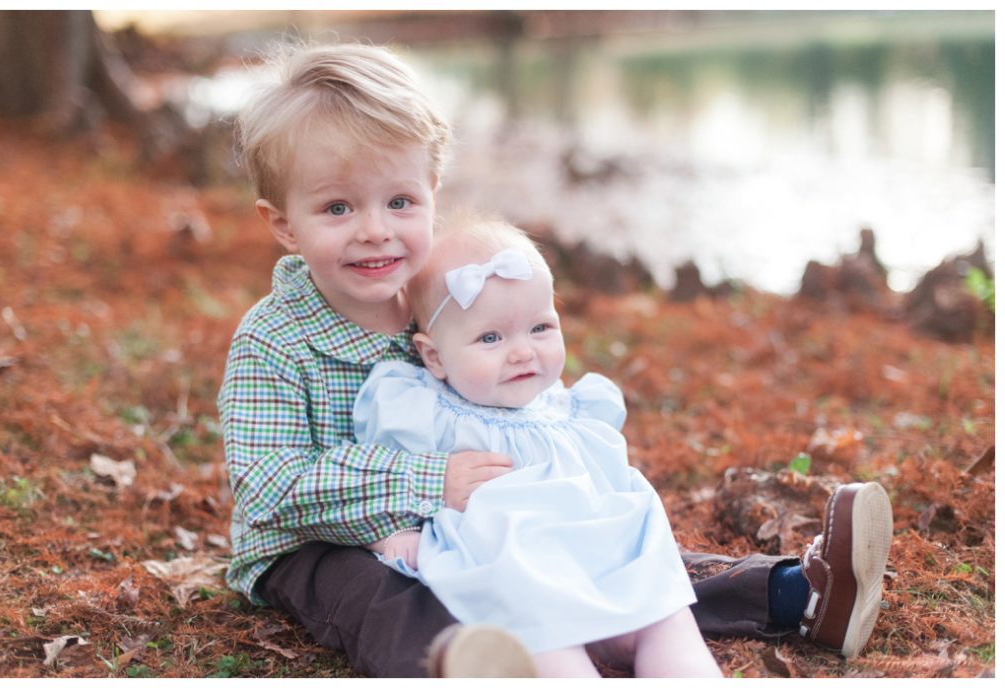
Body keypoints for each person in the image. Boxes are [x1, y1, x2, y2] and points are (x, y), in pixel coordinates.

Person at [217, 41, 894, 678]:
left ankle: (795, 593)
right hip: (318, 544)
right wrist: (426, 483)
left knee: (601, 547)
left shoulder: (447, 301)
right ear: (283, 224)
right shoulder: (274, 341)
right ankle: (471, 665)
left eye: (400, 201)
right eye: (337, 207)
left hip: (475, 518)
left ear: (432, 192)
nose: (375, 229)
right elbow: (269, 491)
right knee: (386, 593)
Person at [353, 215, 722, 677]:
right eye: (490, 338)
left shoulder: (576, 409)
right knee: (543, 639)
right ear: (434, 357)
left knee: (665, 620)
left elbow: (613, 485)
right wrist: (391, 532)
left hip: (608, 554)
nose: (523, 351)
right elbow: (385, 474)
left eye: (540, 328)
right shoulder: (423, 411)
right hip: (516, 570)